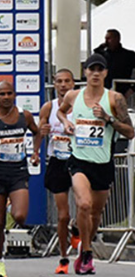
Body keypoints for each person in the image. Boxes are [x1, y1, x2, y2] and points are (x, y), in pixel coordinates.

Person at [57, 54, 135, 274]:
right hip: (79, 161)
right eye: (92, 70)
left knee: (95, 214)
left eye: (100, 70)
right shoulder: (73, 96)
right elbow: (61, 111)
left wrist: (108, 119)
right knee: (83, 204)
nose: (96, 74)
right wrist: (65, 123)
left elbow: (130, 132)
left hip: (103, 163)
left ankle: (83, 245)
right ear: (86, 72)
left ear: (106, 74)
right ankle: (87, 253)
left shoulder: (114, 99)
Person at [0, 81, 39, 277]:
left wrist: (35, 152)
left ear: (14, 94)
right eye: (2, 94)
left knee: (20, 216)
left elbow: (37, 132)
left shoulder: (23, 116)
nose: (6, 97)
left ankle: (12, 202)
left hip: (18, 171)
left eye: (9, 93)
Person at [38, 69, 77, 274]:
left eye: (67, 81)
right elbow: (39, 131)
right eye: (59, 81)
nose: (63, 85)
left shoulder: (81, 105)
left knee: (85, 207)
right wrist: (41, 135)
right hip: (57, 161)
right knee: (63, 216)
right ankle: (63, 258)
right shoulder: (49, 107)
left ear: (73, 83)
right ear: (54, 84)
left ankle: (78, 228)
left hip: (80, 161)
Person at [94, 29, 135, 97]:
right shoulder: (103, 55)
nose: (106, 41)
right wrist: (99, 49)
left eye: (109, 39)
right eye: (105, 39)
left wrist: (132, 89)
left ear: (117, 39)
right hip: (104, 91)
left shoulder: (129, 55)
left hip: (122, 92)